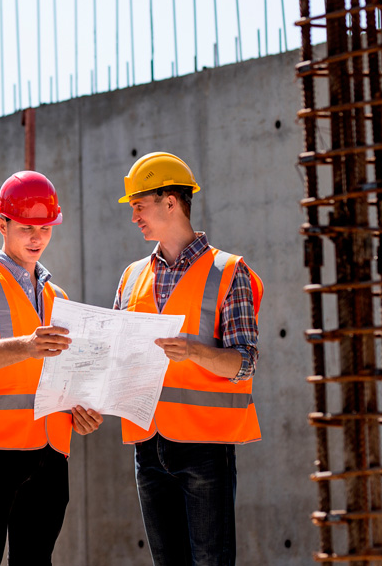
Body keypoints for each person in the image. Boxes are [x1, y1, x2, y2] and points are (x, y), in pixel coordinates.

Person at [0, 170, 103, 566]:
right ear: (3, 224)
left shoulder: (56, 296)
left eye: (45, 228)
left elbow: (62, 376)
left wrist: (79, 411)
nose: (37, 238)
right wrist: (27, 345)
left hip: (49, 455)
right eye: (27, 228)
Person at [113, 152, 264, 566]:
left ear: (170, 202)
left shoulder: (228, 271)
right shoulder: (130, 277)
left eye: (139, 206)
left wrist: (194, 351)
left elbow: (245, 363)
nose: (134, 217)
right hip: (148, 446)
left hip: (204, 446)